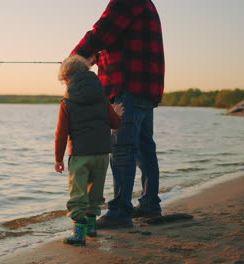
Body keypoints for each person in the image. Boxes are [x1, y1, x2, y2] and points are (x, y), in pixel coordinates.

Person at [70, 0, 165, 228]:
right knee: (144, 148)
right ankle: (150, 206)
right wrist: (97, 58)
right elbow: (122, 42)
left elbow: (101, 33)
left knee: (122, 149)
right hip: (145, 87)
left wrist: (74, 59)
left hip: (126, 87)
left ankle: (120, 213)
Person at [54, 55, 123, 246]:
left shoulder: (66, 103)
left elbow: (61, 134)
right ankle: (92, 227)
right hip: (102, 154)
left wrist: (58, 159)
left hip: (80, 156)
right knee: (96, 192)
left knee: (78, 195)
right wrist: (117, 113)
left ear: (67, 80)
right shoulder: (102, 98)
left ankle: (78, 234)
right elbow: (115, 124)